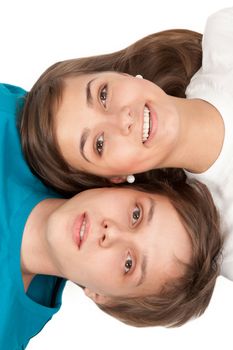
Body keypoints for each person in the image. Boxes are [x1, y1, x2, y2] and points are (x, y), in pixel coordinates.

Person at [20, 7, 233, 283]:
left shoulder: (224, 33)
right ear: (115, 178)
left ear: (125, 75)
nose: (122, 119)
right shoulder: (227, 246)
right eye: (98, 144)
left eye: (103, 94)